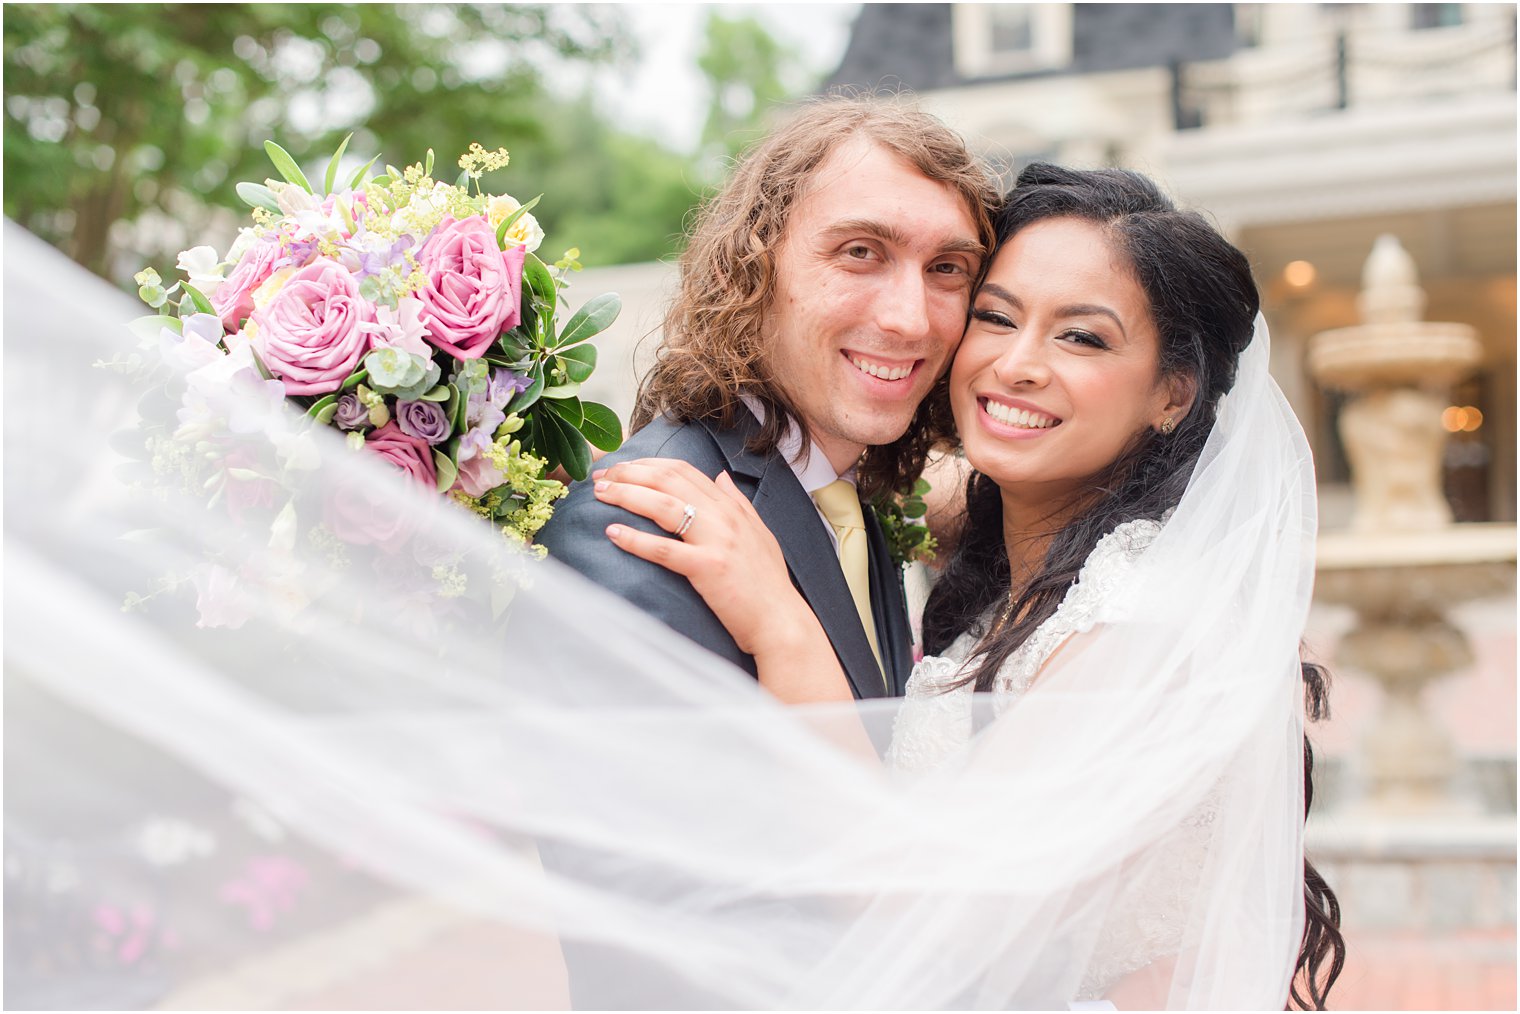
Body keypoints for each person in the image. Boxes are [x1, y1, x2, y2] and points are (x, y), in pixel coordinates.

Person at [590, 164, 1346, 1008]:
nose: (1016, 365)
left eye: (1082, 338)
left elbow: (926, 921)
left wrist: (782, 625)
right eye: (994, 317)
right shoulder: (1026, 548)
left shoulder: (1145, 622)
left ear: (1173, 393)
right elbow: (866, 463)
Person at [537, 96, 998, 701]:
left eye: (947, 267)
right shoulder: (632, 531)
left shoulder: (852, 492)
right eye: (860, 252)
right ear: (753, 265)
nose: (911, 321)